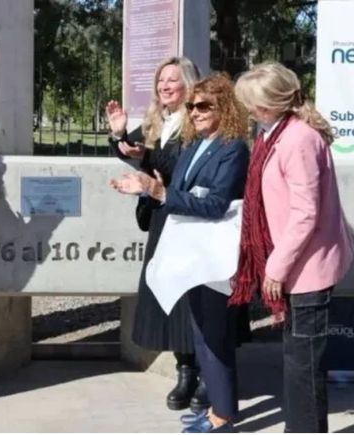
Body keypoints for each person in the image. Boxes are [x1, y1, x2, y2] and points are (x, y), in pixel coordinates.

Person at [110, 73, 249, 433]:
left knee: (215, 336)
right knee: (202, 332)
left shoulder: (233, 147)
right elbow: (177, 186)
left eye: (204, 105)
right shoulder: (194, 144)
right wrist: (145, 188)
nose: (196, 111)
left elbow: (217, 202)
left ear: (225, 107)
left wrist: (162, 194)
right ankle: (220, 406)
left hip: (214, 256)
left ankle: (222, 415)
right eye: (193, 106)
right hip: (192, 251)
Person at [232, 62, 353, 433]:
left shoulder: (298, 138)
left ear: (271, 103)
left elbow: (305, 214)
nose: (248, 110)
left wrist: (275, 268)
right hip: (296, 266)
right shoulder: (275, 134)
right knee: (298, 361)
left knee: (304, 367)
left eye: (252, 103)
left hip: (307, 269)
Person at [104, 57, 208, 411]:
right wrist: (119, 134)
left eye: (172, 80)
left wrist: (146, 156)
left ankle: (208, 372)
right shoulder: (156, 121)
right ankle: (186, 371)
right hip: (164, 221)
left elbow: (180, 168)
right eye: (161, 80)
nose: (164, 86)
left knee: (197, 299)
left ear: (189, 85)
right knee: (171, 298)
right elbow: (129, 153)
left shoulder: (198, 122)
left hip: (194, 223)